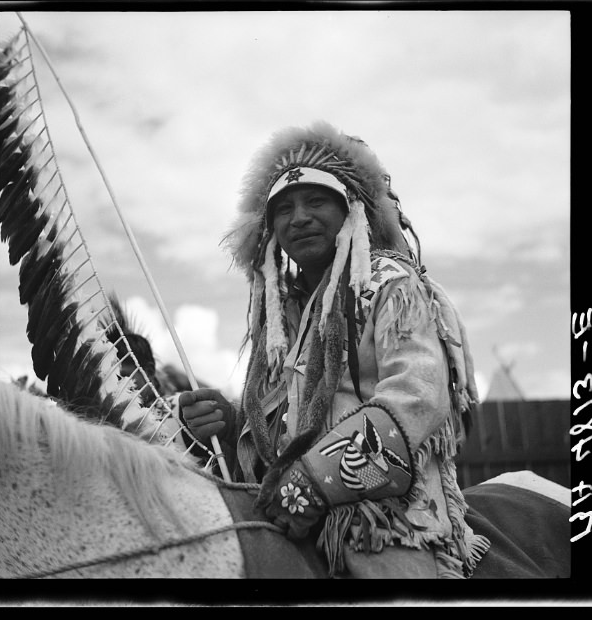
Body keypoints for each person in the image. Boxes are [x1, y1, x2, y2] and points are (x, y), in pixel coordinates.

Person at [178, 121, 489, 578]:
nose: (298, 217)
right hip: (284, 515)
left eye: (316, 201)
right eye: (283, 209)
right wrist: (227, 426)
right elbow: (280, 429)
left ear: (352, 212)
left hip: (386, 521)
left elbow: (417, 398)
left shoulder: (390, 285)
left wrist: (315, 482)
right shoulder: (279, 319)